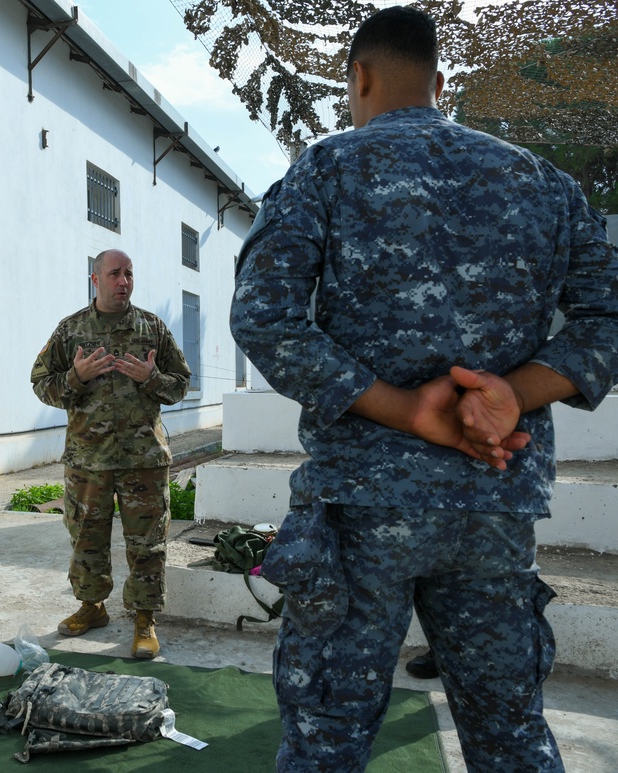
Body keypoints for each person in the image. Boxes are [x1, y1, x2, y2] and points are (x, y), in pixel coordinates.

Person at [230, 6, 618, 772]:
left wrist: (403, 407)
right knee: (511, 737)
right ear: (440, 82)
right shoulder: (542, 183)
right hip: (493, 501)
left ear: (361, 77)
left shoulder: (327, 168)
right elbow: (608, 320)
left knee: (325, 742)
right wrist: (512, 392)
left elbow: (263, 316)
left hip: (359, 512)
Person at [31, 249, 191, 659]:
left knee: (147, 544)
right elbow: (40, 383)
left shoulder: (152, 328)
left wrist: (152, 378)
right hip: (89, 461)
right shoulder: (70, 331)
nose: (124, 282)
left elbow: (181, 384)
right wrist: (75, 377)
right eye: (115, 274)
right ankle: (92, 606)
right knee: (86, 539)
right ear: (95, 280)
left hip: (143, 460)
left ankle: (143, 618)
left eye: (129, 275)